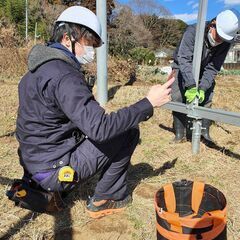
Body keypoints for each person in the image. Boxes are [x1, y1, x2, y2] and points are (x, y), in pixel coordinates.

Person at [6, 6, 174, 218]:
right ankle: (107, 197)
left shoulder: (35, 71)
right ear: (68, 38)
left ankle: (46, 185)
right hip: (53, 169)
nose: (92, 51)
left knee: (112, 126)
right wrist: (148, 102)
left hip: (33, 162)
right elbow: (101, 129)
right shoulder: (64, 75)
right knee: (128, 131)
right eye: (88, 43)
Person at [171, 9, 240, 143]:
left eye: (223, 39)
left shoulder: (225, 42)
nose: (219, 40)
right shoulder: (193, 31)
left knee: (207, 97)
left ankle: (204, 132)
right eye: (218, 36)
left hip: (205, 67)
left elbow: (213, 67)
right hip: (182, 65)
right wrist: (190, 84)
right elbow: (184, 58)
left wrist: (202, 87)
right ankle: (180, 133)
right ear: (212, 24)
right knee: (177, 96)